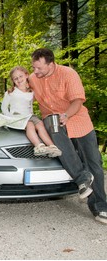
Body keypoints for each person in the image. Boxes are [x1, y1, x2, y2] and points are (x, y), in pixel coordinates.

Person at [29, 47, 107, 224]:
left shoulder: (68, 74)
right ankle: (81, 178)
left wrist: (67, 115)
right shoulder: (33, 79)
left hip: (77, 120)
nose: (35, 71)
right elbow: (20, 92)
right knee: (51, 121)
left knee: (94, 163)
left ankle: (100, 207)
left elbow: (78, 100)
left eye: (39, 68)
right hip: (54, 122)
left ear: (51, 64)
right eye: (33, 67)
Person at [1, 66, 62, 157]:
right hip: (17, 117)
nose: (19, 79)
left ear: (26, 75)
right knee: (30, 125)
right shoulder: (11, 92)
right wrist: (9, 117)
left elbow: (30, 106)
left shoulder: (31, 92)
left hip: (29, 115)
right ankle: (38, 146)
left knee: (40, 124)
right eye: (15, 78)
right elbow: (4, 107)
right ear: (13, 81)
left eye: (20, 76)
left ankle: (52, 146)